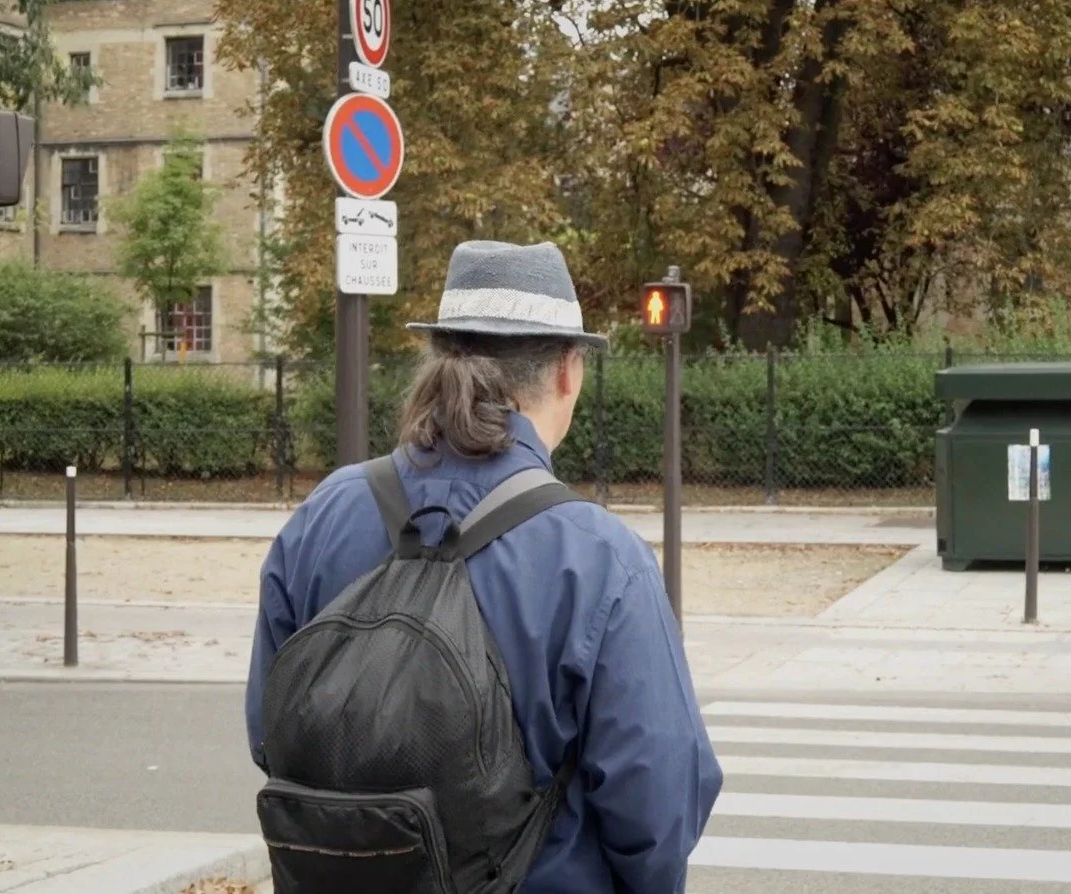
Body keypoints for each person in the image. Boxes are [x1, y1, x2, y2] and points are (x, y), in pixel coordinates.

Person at [245, 239, 722, 893]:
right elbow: (658, 803)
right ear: (567, 371)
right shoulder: (600, 558)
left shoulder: (324, 515)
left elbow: (270, 733)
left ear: (442, 356)